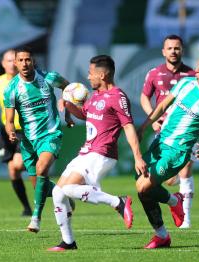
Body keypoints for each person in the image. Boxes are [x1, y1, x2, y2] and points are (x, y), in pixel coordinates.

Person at [47, 55, 147, 251]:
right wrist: (68, 106)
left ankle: (118, 202)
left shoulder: (117, 97)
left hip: (102, 154)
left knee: (68, 189)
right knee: (58, 192)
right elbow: (85, 114)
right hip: (86, 152)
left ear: (102, 74)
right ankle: (68, 242)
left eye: (91, 73)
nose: (88, 76)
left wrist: (138, 156)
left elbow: (128, 127)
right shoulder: (96, 97)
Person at [136, 53, 199, 249]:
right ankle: (164, 227)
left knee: (143, 187)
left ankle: (171, 207)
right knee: (142, 188)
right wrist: (144, 126)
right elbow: (161, 105)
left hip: (176, 152)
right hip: (159, 142)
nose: (197, 68)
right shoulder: (186, 83)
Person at [3, 46, 74, 233]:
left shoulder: (49, 77)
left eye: (28, 59)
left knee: (43, 169)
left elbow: (69, 87)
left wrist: (66, 107)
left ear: (33, 61)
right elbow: (9, 121)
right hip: (27, 141)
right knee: (38, 185)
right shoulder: (11, 89)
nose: (25, 63)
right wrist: (10, 131)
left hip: (50, 134)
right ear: (16, 63)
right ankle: (64, 194)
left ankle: (36, 218)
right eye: (21, 60)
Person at [140, 34, 197, 229]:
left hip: (184, 130)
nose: (174, 51)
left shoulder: (192, 75)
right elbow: (144, 98)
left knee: (186, 168)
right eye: (170, 48)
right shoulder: (154, 73)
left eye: (177, 48)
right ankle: (173, 192)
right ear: (163, 51)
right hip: (162, 130)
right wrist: (153, 120)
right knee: (154, 175)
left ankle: (186, 219)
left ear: (182, 50)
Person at [0, 49, 32, 217]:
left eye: (15, 60)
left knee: (18, 164)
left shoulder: (27, 80)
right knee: (13, 170)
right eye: (9, 60)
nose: (12, 63)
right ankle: (26, 207)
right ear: (3, 63)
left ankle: (43, 177)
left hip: (26, 130)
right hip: (8, 131)